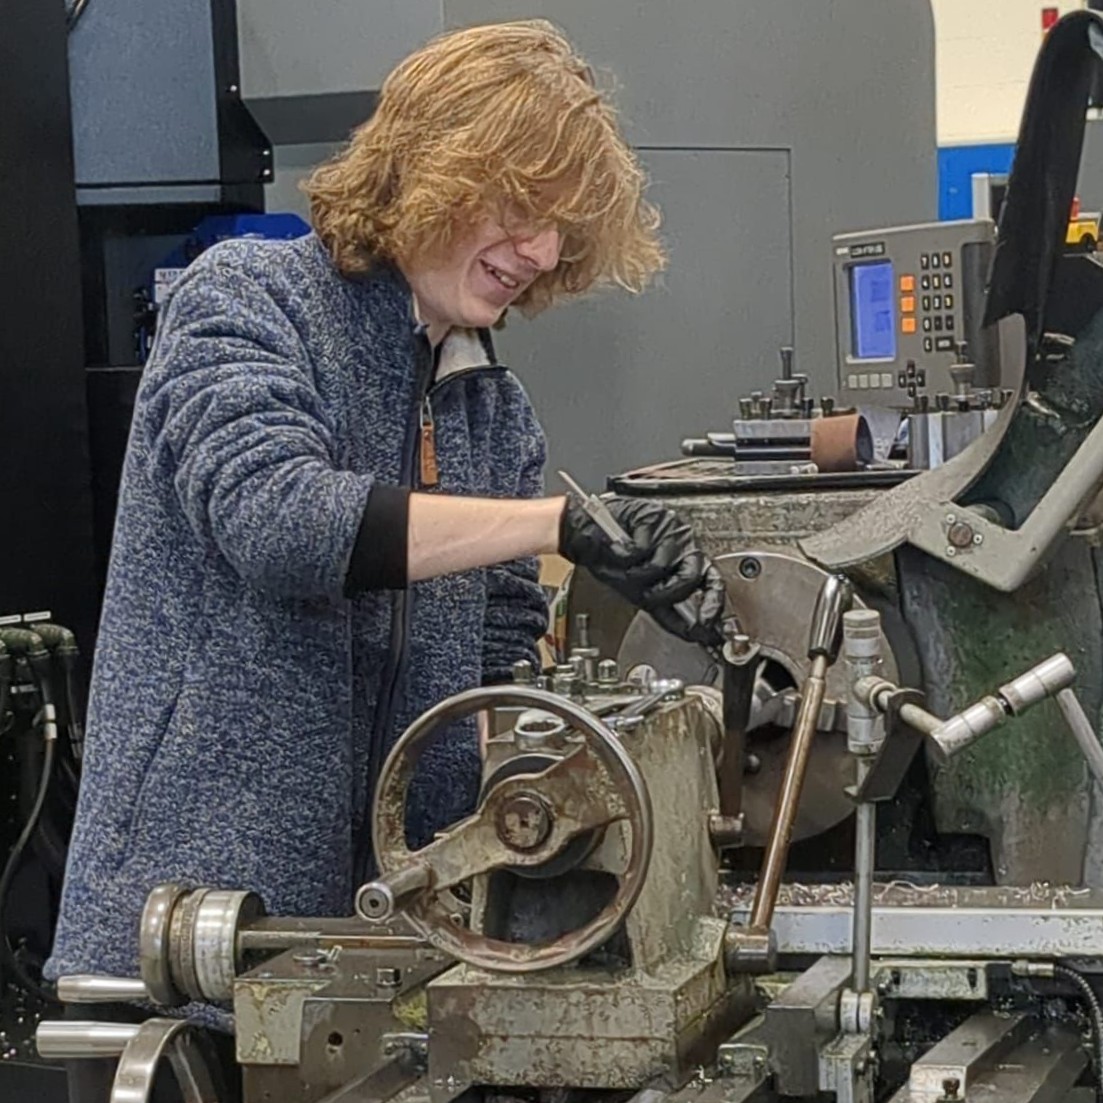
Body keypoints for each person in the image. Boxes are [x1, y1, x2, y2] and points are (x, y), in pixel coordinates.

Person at [47, 19, 724, 1099]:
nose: (540, 253)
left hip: (385, 955)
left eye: (561, 229)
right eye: (520, 209)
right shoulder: (246, 303)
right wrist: (554, 525)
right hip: (186, 946)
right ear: (431, 171)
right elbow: (284, 524)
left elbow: (497, 669)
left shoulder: (495, 415)